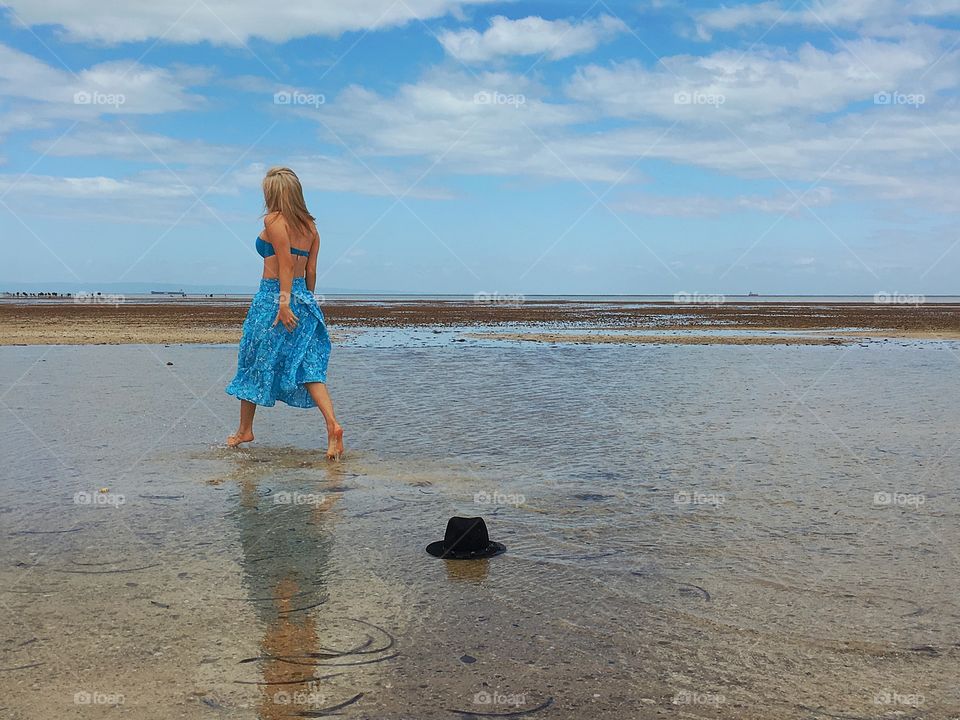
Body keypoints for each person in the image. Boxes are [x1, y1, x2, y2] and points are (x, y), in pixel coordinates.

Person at [225, 166, 344, 459]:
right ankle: (333, 426)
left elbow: (286, 265)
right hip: (303, 299)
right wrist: (304, 301)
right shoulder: (311, 227)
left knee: (253, 359)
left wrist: (283, 304)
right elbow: (311, 270)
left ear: (275, 193)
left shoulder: (275, 220)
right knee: (307, 368)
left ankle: (245, 429)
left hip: (274, 299)